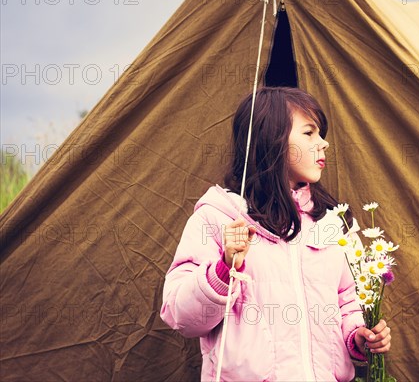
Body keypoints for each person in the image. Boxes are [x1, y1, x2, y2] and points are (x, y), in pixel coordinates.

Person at [160, 87, 392, 381]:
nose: (324, 144)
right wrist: (223, 269)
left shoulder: (333, 223)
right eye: (309, 133)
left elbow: (347, 302)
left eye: (320, 133)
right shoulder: (219, 217)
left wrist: (357, 336)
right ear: (273, 140)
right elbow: (181, 316)